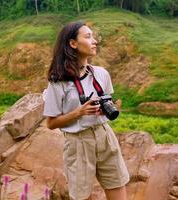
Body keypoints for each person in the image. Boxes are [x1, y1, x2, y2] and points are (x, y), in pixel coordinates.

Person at [42, 20, 130, 200]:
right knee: (81, 196)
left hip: (104, 135)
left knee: (118, 187)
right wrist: (79, 112)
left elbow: (108, 102)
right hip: (78, 141)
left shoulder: (101, 73)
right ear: (73, 43)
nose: (94, 41)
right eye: (88, 36)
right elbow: (50, 123)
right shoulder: (58, 81)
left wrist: (107, 109)